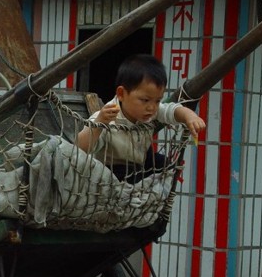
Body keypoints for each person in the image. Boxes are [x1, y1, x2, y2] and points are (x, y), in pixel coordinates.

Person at [76, 54, 206, 182]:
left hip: (139, 161)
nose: (152, 107)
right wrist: (99, 123)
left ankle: (153, 195)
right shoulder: (108, 115)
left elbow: (171, 110)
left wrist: (189, 116)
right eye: (145, 100)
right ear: (121, 94)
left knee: (166, 165)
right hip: (111, 170)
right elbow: (80, 147)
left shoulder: (152, 109)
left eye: (157, 100)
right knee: (129, 174)